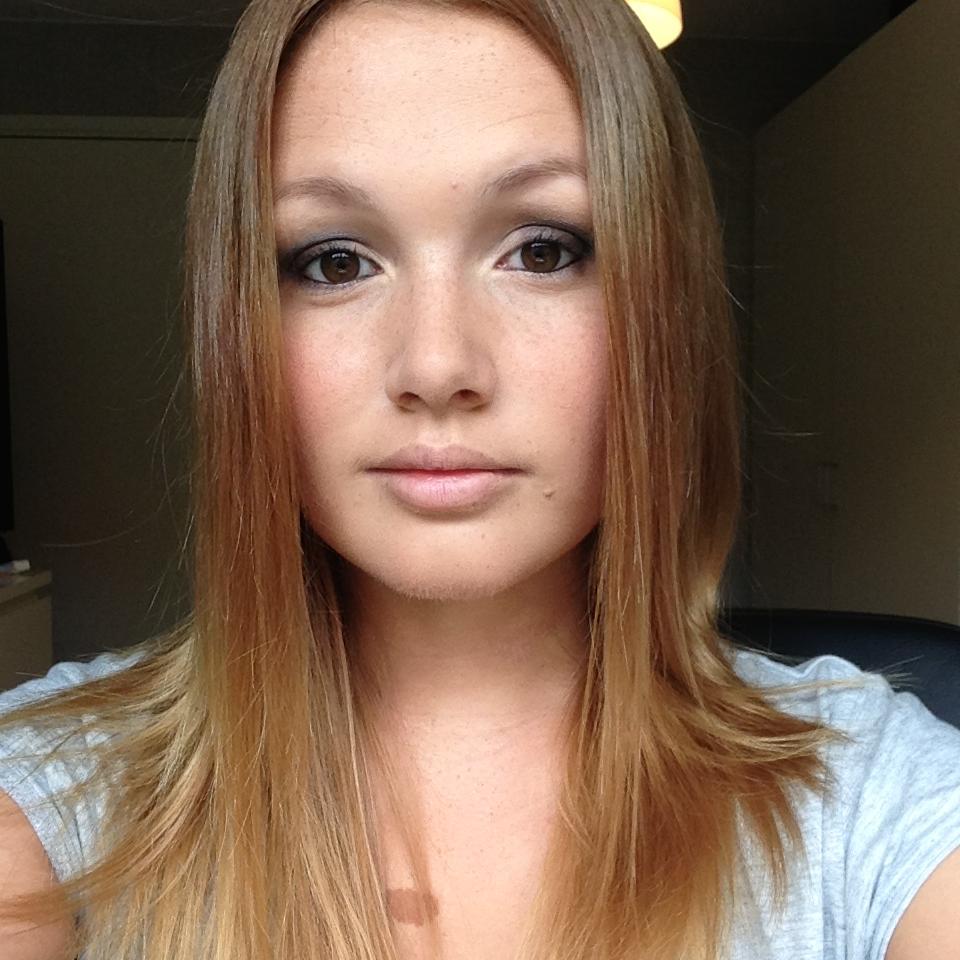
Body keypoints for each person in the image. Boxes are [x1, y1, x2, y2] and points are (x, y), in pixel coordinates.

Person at [0, 0, 958, 958]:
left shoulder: (871, 795)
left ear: (662, 307)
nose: (435, 365)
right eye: (334, 262)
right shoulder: (55, 794)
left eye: (543, 250)